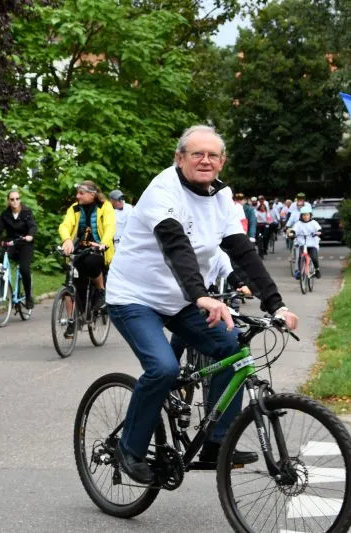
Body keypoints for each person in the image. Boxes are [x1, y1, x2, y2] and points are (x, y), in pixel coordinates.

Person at [105, 125, 299, 484]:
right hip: (135, 296)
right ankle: (129, 449)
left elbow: (242, 251)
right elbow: (175, 245)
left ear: (222, 162)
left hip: (180, 298)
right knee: (163, 368)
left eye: (212, 155)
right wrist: (200, 295)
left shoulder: (222, 197)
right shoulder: (163, 190)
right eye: (197, 154)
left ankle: (217, 441)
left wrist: (277, 305)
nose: (205, 160)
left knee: (232, 347)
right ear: (180, 158)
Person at [58, 180, 115, 337]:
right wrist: (67, 240)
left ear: (92, 194)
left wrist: (103, 243)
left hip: (98, 249)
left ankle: (101, 291)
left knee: (91, 262)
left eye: (81, 193)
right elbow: (65, 225)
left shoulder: (105, 206)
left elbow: (110, 227)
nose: (77, 196)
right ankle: (72, 321)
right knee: (70, 283)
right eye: (77, 193)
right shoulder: (75, 208)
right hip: (79, 249)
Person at [0, 188, 37, 309]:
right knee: (2, 261)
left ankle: (28, 297)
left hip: (25, 243)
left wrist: (30, 236)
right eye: (12, 199)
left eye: (17, 199)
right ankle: (1, 289)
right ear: (8, 201)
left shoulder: (27, 212)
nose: (15, 201)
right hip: (11, 243)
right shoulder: (5, 214)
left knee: (24, 269)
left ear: (20, 200)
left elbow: (32, 226)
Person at [290, 205, 322, 279]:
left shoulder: (314, 223)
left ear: (310, 215)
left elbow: (319, 229)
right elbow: (294, 230)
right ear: (301, 216)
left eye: (307, 215)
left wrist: (318, 232)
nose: (305, 217)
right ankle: (299, 271)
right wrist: (292, 233)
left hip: (312, 244)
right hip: (302, 244)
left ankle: (317, 270)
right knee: (300, 257)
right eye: (304, 215)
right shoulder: (298, 223)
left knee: (314, 257)